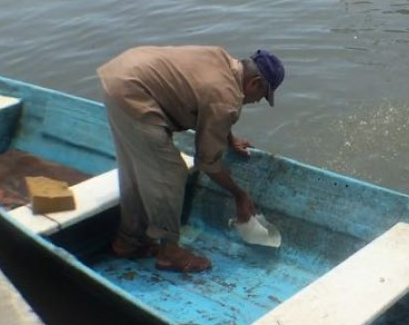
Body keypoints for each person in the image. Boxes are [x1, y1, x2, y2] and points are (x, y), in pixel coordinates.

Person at [97, 45, 284, 273]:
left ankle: (128, 242)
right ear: (254, 83)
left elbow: (211, 109)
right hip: (135, 92)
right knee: (170, 172)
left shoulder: (221, 59)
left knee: (136, 167)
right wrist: (239, 195)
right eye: (262, 96)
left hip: (122, 75)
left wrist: (229, 139)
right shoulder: (226, 98)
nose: (257, 101)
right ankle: (169, 253)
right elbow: (207, 161)